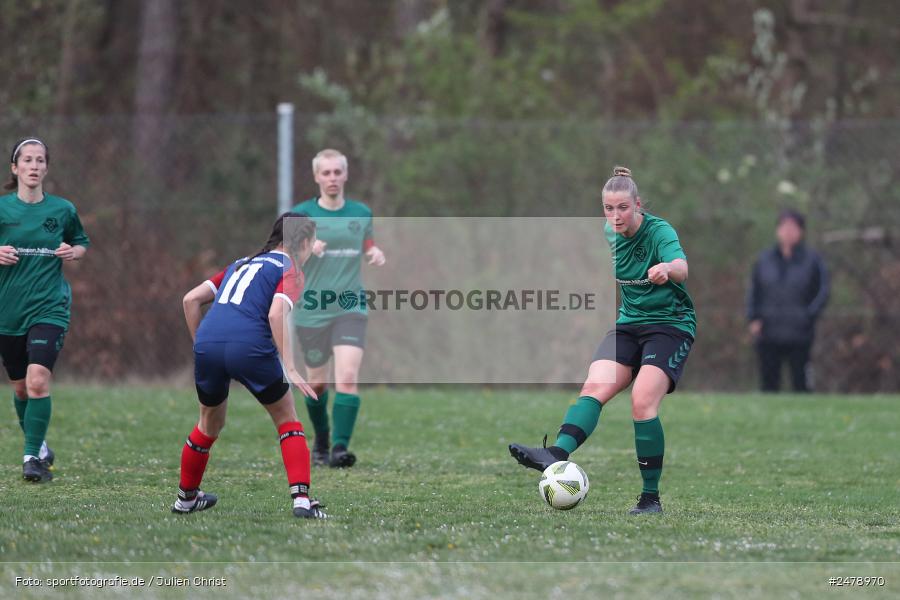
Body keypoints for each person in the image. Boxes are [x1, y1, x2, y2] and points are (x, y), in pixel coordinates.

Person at [509, 166, 696, 515]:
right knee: (594, 387)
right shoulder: (610, 232)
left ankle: (650, 499)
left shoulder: (660, 231)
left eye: (623, 207)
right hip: (629, 325)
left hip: (669, 326)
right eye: (608, 208)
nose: (615, 216)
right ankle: (555, 454)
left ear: (638, 205)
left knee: (642, 401)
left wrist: (667, 269)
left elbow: (681, 267)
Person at [173, 213, 327, 519]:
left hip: (209, 344)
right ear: (303, 244)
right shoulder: (292, 270)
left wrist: (203, 346)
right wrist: (290, 366)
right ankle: (302, 501)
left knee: (209, 424)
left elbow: (191, 299)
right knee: (287, 418)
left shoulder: (242, 263)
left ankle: (186, 498)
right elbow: (275, 314)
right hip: (250, 345)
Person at [0, 137, 90, 483]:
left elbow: (80, 243)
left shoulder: (62, 209)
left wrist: (73, 252)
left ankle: (30, 459)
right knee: (21, 389)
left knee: (38, 381)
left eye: (40, 160)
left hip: (49, 307)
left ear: (46, 168)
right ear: (15, 168)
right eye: (27, 160)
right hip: (8, 311)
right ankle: (39, 447)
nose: (34, 166)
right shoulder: (3, 209)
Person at [291, 149, 385, 468]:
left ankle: (340, 449)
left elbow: (367, 244)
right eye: (326, 173)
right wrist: (307, 249)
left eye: (337, 172)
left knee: (346, 376)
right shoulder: (301, 215)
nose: (332, 178)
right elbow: (286, 258)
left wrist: (374, 253)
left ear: (346, 174)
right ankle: (322, 439)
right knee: (317, 384)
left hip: (350, 305)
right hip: (312, 308)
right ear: (316, 177)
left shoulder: (361, 212)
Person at [747, 209, 829, 392]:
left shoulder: (813, 260)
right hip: (768, 331)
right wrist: (754, 317)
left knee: (801, 383)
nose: (788, 232)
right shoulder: (764, 259)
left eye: (793, 228)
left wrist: (808, 315)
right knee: (769, 385)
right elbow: (754, 290)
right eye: (784, 227)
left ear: (801, 231)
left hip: (800, 333)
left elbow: (823, 291)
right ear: (777, 230)